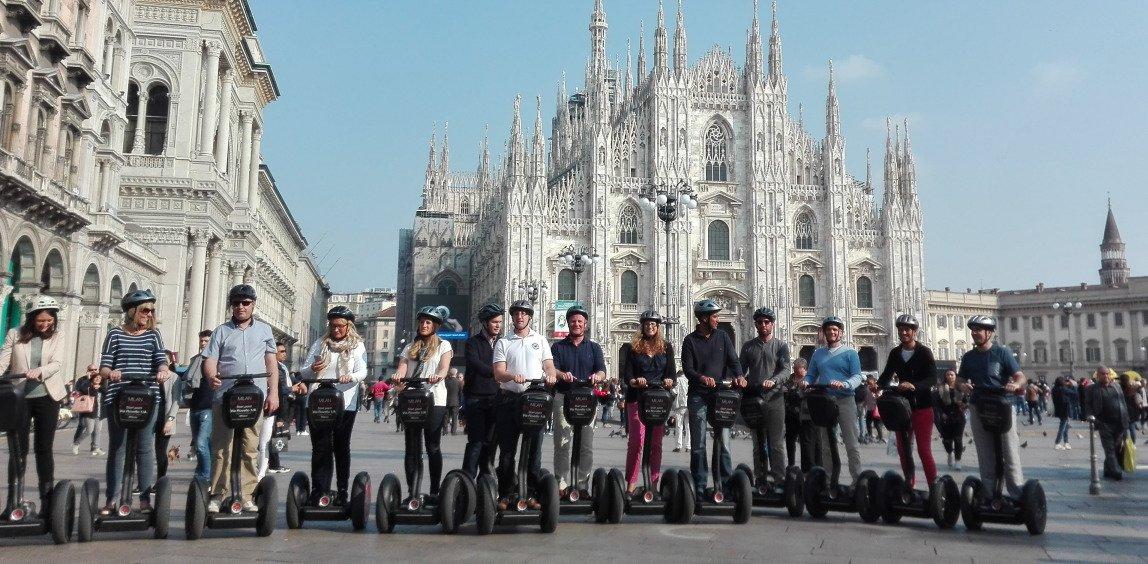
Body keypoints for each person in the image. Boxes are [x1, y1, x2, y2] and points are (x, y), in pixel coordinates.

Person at [202, 284, 280, 513]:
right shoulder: (221, 331)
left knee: (249, 446)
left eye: (245, 303)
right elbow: (210, 359)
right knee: (221, 447)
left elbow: (271, 364)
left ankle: (247, 495)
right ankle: (218, 493)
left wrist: (273, 393)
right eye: (236, 303)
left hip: (253, 397)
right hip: (225, 396)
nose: (240, 307)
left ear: (253, 304)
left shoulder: (265, 331)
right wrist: (210, 376)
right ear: (231, 306)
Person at [99, 290, 172, 514]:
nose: (148, 314)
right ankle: (112, 497)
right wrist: (110, 373)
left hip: (148, 397)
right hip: (119, 397)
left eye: (151, 311)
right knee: (118, 447)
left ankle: (144, 498)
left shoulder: (154, 335)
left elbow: (161, 361)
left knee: (144, 447)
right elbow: (104, 367)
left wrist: (163, 371)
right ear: (131, 311)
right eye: (144, 310)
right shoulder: (114, 335)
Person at [0, 295, 68, 515]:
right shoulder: (15, 334)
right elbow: (4, 359)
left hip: (47, 396)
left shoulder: (57, 336)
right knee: (18, 449)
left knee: (43, 448)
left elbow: (57, 363)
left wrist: (40, 371)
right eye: (40, 321)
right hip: (19, 396)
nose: (45, 325)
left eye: (49, 321)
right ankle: (13, 501)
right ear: (31, 319)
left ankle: (47, 504)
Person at [296, 306, 368, 504]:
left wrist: (350, 376)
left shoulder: (356, 346)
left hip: (345, 403)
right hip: (319, 402)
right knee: (320, 447)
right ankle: (320, 490)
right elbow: (303, 371)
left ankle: (343, 490)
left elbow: (363, 372)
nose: (335, 330)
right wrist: (312, 368)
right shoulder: (320, 344)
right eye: (332, 325)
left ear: (348, 326)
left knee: (341, 446)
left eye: (340, 326)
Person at [492, 300, 556, 508]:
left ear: (529, 317)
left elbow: (548, 365)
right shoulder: (503, 342)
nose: (520, 317)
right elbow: (499, 373)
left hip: (535, 400)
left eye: (524, 313)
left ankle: (531, 494)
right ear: (512, 318)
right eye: (516, 313)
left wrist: (551, 375)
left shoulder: (540, 340)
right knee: (508, 452)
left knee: (533, 451)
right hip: (510, 400)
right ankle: (506, 494)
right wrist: (512, 375)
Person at [957, 315, 1027, 498]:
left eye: (978, 330)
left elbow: (1020, 376)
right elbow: (959, 379)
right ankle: (989, 493)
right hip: (978, 405)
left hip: (1002, 405)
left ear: (989, 333)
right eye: (973, 330)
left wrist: (1016, 384)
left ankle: (1016, 492)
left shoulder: (1002, 353)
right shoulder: (969, 357)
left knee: (1010, 451)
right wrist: (962, 385)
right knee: (985, 452)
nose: (974, 333)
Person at [681, 299, 744, 499]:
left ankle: (724, 484)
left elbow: (733, 361)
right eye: (715, 316)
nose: (718, 320)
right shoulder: (690, 341)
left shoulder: (723, 337)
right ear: (703, 318)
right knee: (698, 443)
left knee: (724, 441)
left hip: (719, 395)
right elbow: (688, 369)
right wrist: (701, 377)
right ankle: (699, 484)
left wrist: (740, 376)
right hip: (698, 394)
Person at [393, 306, 453, 498]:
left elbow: (444, 368)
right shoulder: (409, 348)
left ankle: (435, 490)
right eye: (421, 322)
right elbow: (402, 369)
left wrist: (438, 376)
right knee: (411, 446)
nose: (424, 325)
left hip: (435, 399)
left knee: (432, 446)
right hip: (412, 398)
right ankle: (413, 491)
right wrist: (397, 377)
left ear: (435, 325)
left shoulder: (444, 345)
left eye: (428, 322)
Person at [550, 305, 607, 497]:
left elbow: (601, 370)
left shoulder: (594, 347)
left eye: (580, 321)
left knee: (586, 445)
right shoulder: (558, 347)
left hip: (586, 399)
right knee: (562, 443)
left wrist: (598, 377)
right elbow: (552, 370)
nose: (576, 324)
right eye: (573, 321)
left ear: (586, 324)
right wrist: (561, 374)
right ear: (568, 324)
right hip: (564, 397)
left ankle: (582, 485)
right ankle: (561, 484)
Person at [877, 313, 938, 487]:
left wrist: (913, 386)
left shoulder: (924, 352)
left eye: (907, 330)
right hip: (902, 408)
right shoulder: (895, 353)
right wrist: (878, 385)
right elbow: (886, 375)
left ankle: (934, 485)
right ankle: (909, 483)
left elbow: (932, 378)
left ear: (914, 332)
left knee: (923, 449)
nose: (903, 333)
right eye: (901, 330)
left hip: (922, 407)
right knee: (903, 449)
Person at [800, 316, 864, 482]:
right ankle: (829, 479)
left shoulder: (850, 353)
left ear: (840, 333)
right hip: (825, 401)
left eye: (835, 330)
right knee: (827, 444)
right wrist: (806, 381)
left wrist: (845, 384)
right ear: (825, 333)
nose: (832, 332)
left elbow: (857, 376)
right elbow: (812, 373)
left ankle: (857, 479)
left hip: (845, 400)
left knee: (851, 443)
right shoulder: (818, 353)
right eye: (829, 330)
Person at [619, 310, 675, 493]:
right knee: (637, 441)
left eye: (653, 324)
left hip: (658, 400)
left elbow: (671, 375)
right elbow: (627, 375)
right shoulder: (633, 348)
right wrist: (636, 381)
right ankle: (631, 484)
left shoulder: (666, 347)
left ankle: (653, 484)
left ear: (658, 327)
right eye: (647, 324)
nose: (650, 327)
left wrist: (669, 381)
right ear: (642, 326)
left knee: (656, 443)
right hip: (637, 399)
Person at [739, 307, 791, 484]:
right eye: (760, 322)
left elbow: (786, 370)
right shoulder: (748, 347)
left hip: (775, 399)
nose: (763, 325)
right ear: (755, 324)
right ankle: (760, 476)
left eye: (766, 322)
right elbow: (740, 369)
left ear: (772, 324)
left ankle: (779, 478)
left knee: (775, 442)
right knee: (757, 442)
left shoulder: (780, 346)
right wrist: (740, 379)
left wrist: (774, 380)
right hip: (754, 398)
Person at [463, 303, 503, 478]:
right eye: (494, 322)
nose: (497, 325)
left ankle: (485, 478)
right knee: (476, 441)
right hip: (475, 398)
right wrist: (498, 373)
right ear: (485, 323)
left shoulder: (502, 343)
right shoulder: (472, 343)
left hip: (496, 398)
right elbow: (475, 364)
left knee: (491, 441)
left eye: (500, 322)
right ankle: (468, 478)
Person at [1087, 366, 1130, 480]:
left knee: (1116, 447)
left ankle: (1107, 469)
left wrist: (1126, 419)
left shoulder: (1116, 386)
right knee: (1109, 448)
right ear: (1098, 375)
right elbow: (1088, 405)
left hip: (1119, 423)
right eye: (1103, 374)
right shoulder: (1092, 389)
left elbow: (1123, 402)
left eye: (1107, 373)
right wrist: (1091, 417)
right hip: (1104, 423)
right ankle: (1116, 471)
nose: (1105, 376)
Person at [260, 342, 295, 478]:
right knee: (276, 435)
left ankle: (276, 462)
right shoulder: (276, 369)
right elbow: (281, 388)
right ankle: (274, 464)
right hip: (279, 405)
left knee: (280, 434)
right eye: (281, 351)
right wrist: (293, 389)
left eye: (284, 351)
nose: (284, 353)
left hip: (284, 404)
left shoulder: (282, 367)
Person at [183, 330, 213, 482]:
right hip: (195, 407)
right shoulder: (194, 360)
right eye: (201, 341)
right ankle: (202, 471)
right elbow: (187, 381)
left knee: (202, 443)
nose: (203, 344)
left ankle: (205, 476)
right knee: (199, 445)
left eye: (206, 341)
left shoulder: (216, 361)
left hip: (209, 408)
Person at [783, 358, 819, 471]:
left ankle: (807, 467)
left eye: (796, 367)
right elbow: (785, 389)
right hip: (791, 414)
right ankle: (791, 464)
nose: (794, 369)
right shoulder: (790, 379)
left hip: (805, 415)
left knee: (806, 442)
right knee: (790, 440)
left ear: (804, 369)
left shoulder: (809, 380)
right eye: (794, 367)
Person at [154, 350, 180, 480]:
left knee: (160, 451)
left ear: (169, 362)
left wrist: (170, 420)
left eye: (165, 360)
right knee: (142, 451)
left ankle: (160, 479)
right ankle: (142, 483)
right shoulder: (153, 376)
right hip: (151, 417)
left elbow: (176, 401)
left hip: (165, 418)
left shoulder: (175, 378)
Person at [935, 370, 967, 470]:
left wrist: (964, 405)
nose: (950, 376)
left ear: (955, 376)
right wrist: (942, 413)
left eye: (952, 374)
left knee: (958, 439)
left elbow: (966, 401)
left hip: (959, 416)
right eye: (948, 375)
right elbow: (937, 404)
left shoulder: (961, 388)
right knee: (947, 440)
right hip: (946, 416)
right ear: (945, 376)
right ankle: (949, 453)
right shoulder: (941, 388)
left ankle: (958, 460)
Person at [72, 364, 106, 456]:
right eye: (91, 369)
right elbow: (79, 390)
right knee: (86, 428)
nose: (93, 371)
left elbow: (106, 391)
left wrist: (100, 387)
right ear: (88, 370)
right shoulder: (83, 380)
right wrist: (88, 379)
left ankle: (95, 447)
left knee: (97, 430)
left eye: (95, 369)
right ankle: (76, 443)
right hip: (88, 410)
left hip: (99, 412)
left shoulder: (102, 380)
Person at [1051, 376, 1073, 450]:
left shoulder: (1054, 389)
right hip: (1064, 410)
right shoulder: (1063, 389)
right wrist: (1073, 385)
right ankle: (1057, 443)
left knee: (1066, 426)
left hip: (1058, 409)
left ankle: (1066, 442)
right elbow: (1074, 393)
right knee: (1062, 426)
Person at [671, 371, 689, 453]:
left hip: (680, 405)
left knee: (679, 426)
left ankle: (678, 446)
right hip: (689, 405)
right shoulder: (689, 379)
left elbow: (674, 391)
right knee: (688, 426)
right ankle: (688, 446)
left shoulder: (677, 380)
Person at [445, 368, 461, 436]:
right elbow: (460, 392)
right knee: (454, 418)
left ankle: (445, 431)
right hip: (456, 401)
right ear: (456, 373)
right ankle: (453, 431)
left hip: (446, 401)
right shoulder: (458, 382)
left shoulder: (446, 381)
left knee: (446, 417)